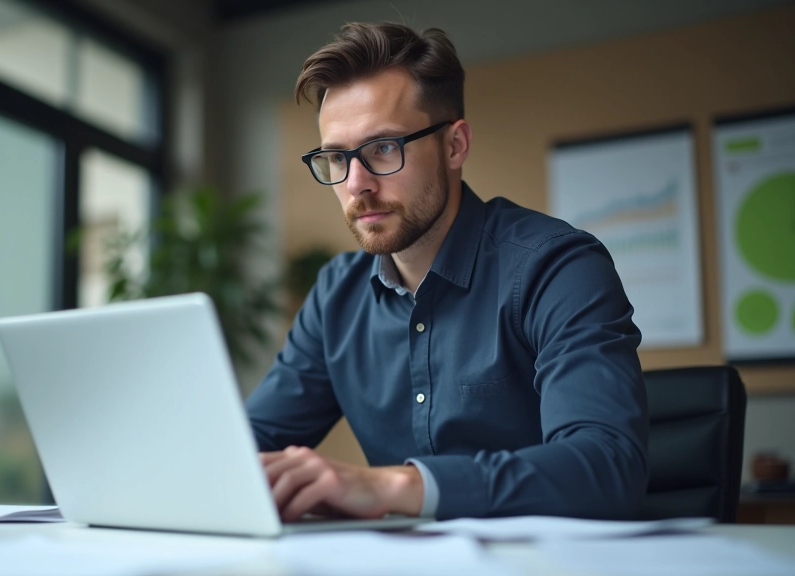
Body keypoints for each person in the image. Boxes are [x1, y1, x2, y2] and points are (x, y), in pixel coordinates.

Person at [245, 22, 648, 522]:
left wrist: (394, 486)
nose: (357, 185)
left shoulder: (557, 266)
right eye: (335, 157)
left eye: (383, 149)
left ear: (455, 146)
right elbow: (241, 449)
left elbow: (607, 466)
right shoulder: (337, 295)